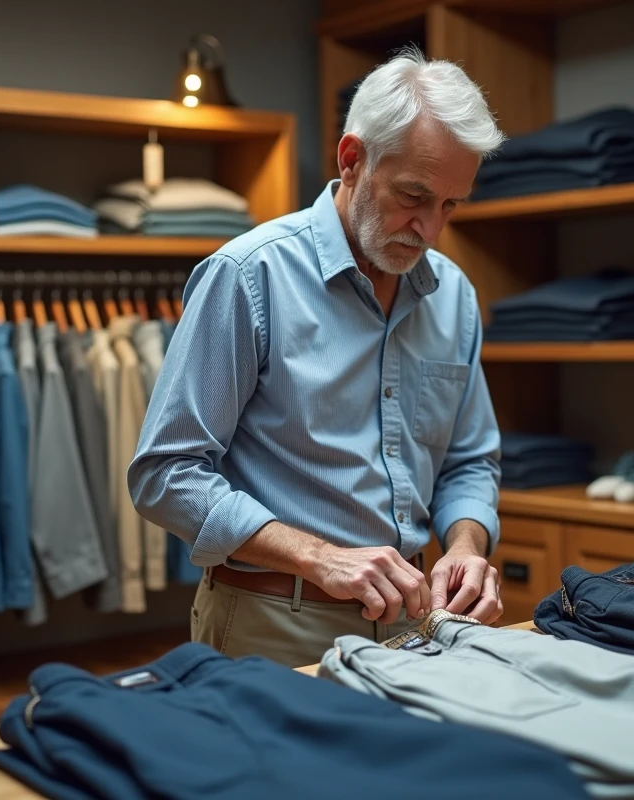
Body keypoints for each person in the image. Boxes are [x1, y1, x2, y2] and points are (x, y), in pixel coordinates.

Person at [128, 47, 507, 668]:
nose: (430, 229)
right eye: (414, 195)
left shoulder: (454, 295)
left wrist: (466, 544)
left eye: (450, 205)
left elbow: (467, 460)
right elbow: (165, 475)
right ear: (352, 159)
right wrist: (318, 556)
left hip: (419, 628)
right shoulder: (249, 276)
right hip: (271, 625)